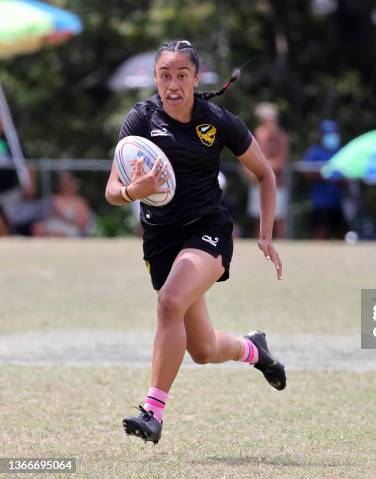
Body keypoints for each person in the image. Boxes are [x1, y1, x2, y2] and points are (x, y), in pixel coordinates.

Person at [104, 40, 285, 445]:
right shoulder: (140, 120)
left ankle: (153, 412)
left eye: (182, 75)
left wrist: (266, 234)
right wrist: (136, 189)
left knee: (169, 302)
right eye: (165, 75)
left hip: (207, 230)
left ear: (195, 78)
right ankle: (254, 349)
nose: (173, 84)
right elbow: (112, 190)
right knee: (202, 349)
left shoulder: (217, 120)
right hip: (160, 239)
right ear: (155, 78)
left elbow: (265, 174)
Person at [245, 102, 289, 238]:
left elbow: (281, 160)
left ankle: (282, 248)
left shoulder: (281, 136)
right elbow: (251, 156)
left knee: (279, 219)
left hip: (277, 184)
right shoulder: (258, 134)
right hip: (258, 183)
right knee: (258, 219)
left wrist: (263, 168)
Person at [302, 119, 347, 239]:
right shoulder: (314, 152)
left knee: (341, 231)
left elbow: (348, 175)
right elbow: (306, 172)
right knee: (320, 230)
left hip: (338, 201)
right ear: (321, 135)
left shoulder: (341, 151)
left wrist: (340, 180)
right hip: (320, 202)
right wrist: (325, 175)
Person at [31, 172, 93, 237]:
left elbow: (81, 224)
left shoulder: (79, 202)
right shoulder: (54, 199)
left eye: (68, 182)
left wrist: (62, 217)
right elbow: (44, 216)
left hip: (70, 228)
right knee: (37, 228)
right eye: (63, 182)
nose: (65, 184)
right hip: (52, 225)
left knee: (57, 233)